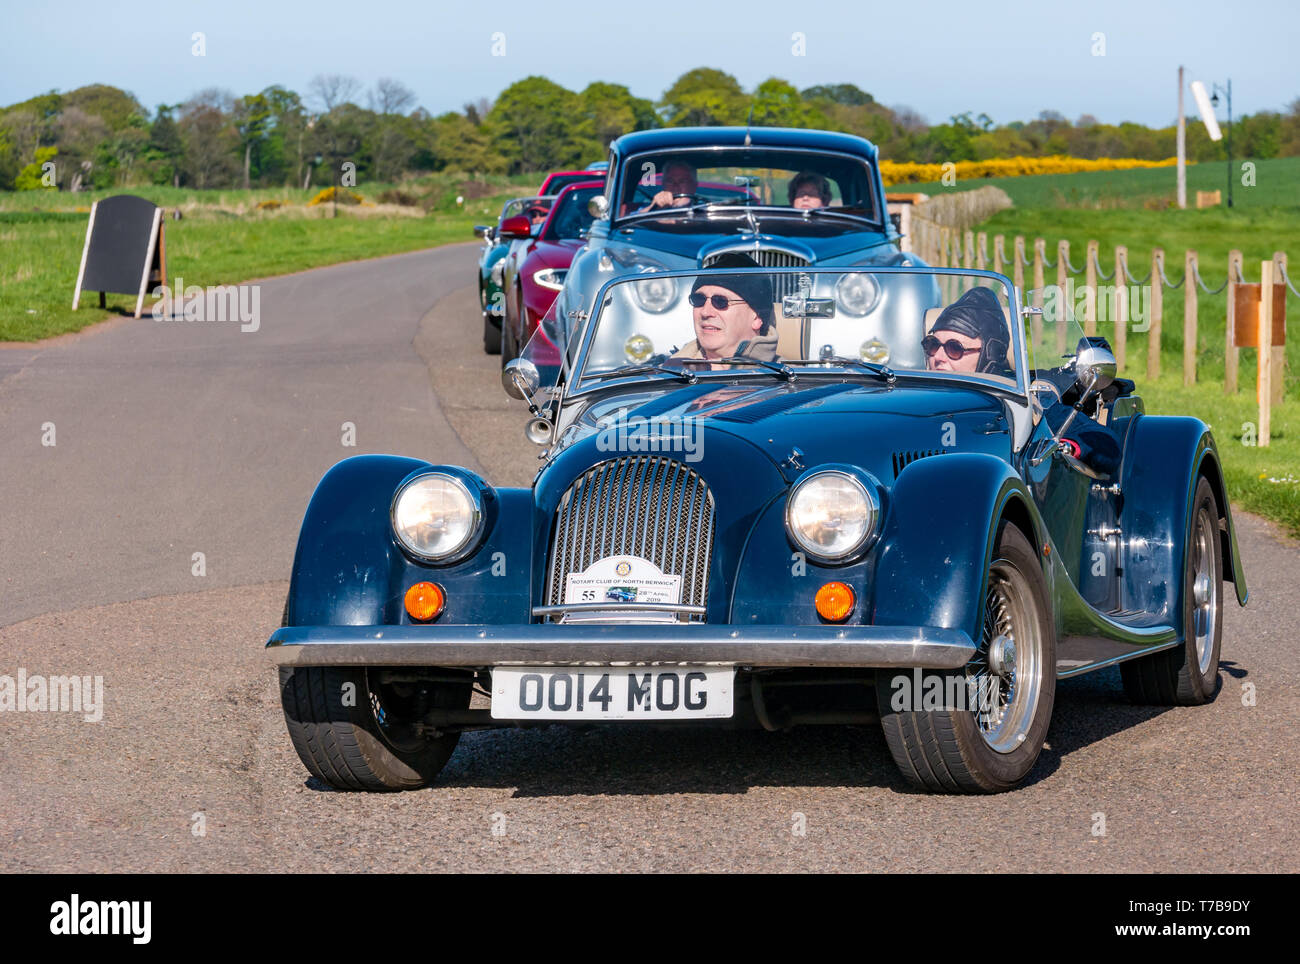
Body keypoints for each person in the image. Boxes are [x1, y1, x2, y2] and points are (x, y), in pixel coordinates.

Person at [670, 253, 778, 370]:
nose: (705, 312)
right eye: (698, 300)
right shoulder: (664, 371)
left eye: (721, 301)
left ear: (757, 317)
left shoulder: (789, 377)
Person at [922, 286, 1012, 376]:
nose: (938, 357)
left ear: (989, 356)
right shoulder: (914, 387)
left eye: (954, 348)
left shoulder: (1015, 389)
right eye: (933, 345)